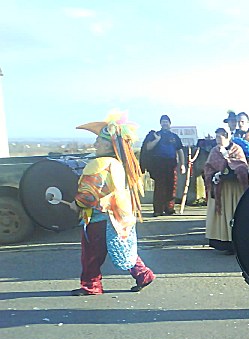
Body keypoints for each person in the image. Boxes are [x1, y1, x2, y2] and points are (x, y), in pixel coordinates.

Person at [70, 112, 155, 295]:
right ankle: (143, 274)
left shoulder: (98, 164)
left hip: (99, 217)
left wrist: (77, 204)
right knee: (123, 248)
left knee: (91, 254)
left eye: (99, 141)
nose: (95, 144)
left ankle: (92, 285)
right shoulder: (118, 163)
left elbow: (89, 194)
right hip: (119, 216)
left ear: (109, 144)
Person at [203, 128, 249, 254]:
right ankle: (224, 241)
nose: (218, 140)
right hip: (221, 188)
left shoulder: (237, 149)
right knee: (223, 214)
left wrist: (228, 162)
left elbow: (242, 166)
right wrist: (214, 175)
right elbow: (208, 167)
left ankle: (237, 241)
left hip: (234, 188)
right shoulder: (214, 151)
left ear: (227, 136)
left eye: (220, 137)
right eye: (217, 137)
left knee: (234, 212)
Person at [143, 115, 185, 216]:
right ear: (160, 123)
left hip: (171, 164)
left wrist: (182, 164)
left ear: (170, 123)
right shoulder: (155, 135)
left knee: (171, 186)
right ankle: (158, 210)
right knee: (160, 187)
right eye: (163, 122)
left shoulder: (174, 137)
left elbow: (180, 150)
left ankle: (169, 208)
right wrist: (157, 140)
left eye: (166, 122)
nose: (165, 123)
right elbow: (148, 148)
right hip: (158, 164)